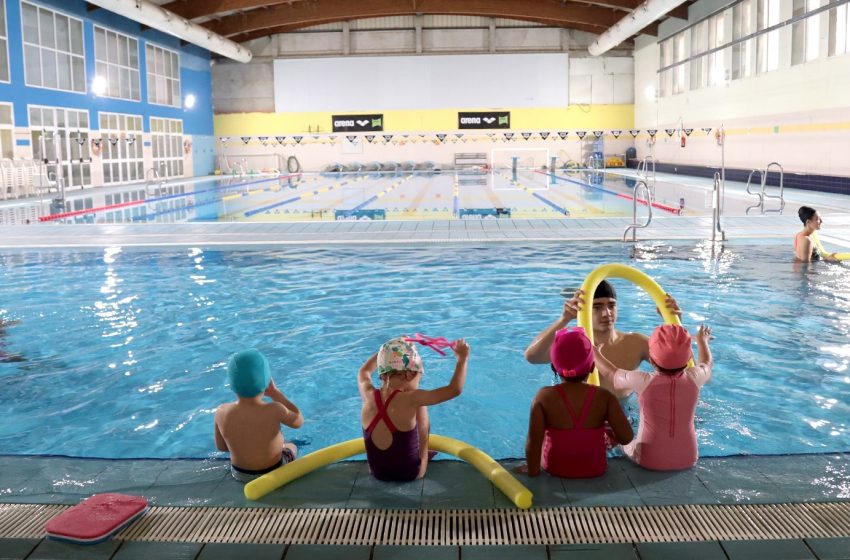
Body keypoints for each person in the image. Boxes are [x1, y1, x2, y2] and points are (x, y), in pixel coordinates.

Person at [594, 324, 713, 471]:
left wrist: (594, 353)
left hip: (649, 460)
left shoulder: (643, 381)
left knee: (621, 439)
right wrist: (702, 341)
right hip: (689, 457)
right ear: (688, 356)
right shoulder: (696, 377)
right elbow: (706, 362)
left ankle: (615, 442)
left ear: (652, 358)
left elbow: (611, 374)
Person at [518, 327, 633, 478]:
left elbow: (533, 443)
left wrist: (533, 471)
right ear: (592, 367)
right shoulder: (605, 397)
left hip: (554, 468)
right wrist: (610, 434)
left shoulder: (544, 397)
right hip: (595, 469)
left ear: (553, 366)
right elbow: (626, 437)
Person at [358, 336, 470, 481]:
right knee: (420, 404)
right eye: (419, 377)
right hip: (409, 474)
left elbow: (363, 372)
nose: (419, 381)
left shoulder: (368, 395)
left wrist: (388, 349)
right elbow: (454, 389)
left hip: (377, 473)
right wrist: (462, 359)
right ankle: (422, 455)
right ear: (409, 373)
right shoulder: (412, 398)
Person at [525, 280, 681, 376]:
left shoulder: (636, 343)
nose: (606, 313)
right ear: (583, 310)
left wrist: (676, 327)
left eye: (611, 305)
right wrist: (564, 319)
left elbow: (681, 370)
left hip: (625, 414)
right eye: (597, 307)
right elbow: (533, 357)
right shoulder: (572, 345)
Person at [214, 349, 304, 482]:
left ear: (232, 384)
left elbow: (222, 447)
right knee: (292, 446)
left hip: (240, 474)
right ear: (267, 381)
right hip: (275, 471)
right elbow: (298, 421)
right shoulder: (275, 409)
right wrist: (275, 394)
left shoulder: (221, 411)